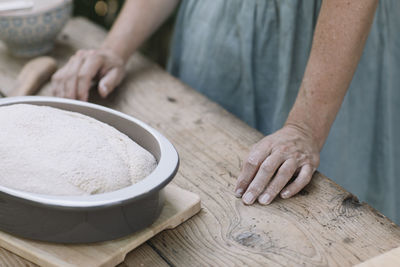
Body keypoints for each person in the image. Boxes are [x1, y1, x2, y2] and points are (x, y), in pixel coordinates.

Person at [52, 1, 400, 222]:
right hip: (220, 25)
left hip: (330, 49)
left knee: (333, 221)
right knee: (206, 204)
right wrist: (116, 47)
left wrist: (305, 127)